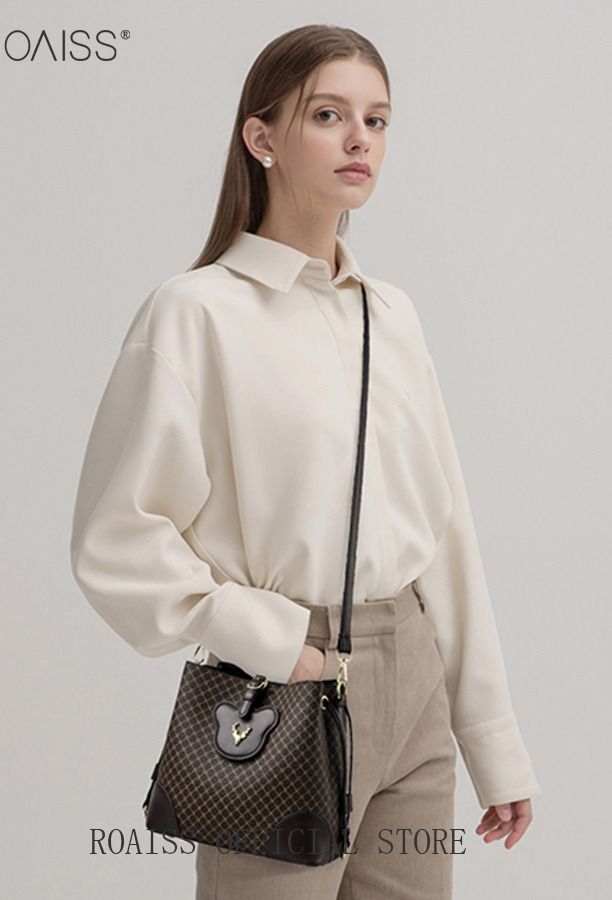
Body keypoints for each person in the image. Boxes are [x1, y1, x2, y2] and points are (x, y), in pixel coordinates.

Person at [69, 24, 540, 899]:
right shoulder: (196, 314)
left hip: (416, 691)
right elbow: (117, 539)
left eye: (377, 119)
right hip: (282, 687)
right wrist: (273, 641)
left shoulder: (390, 315)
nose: (361, 139)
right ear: (262, 137)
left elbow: (445, 534)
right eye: (329, 115)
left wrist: (492, 741)